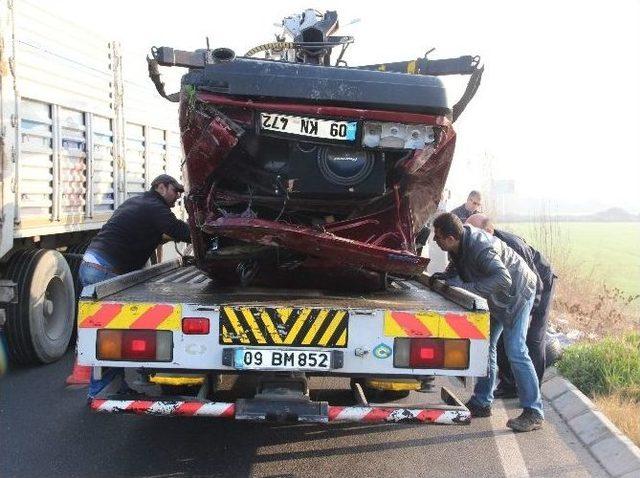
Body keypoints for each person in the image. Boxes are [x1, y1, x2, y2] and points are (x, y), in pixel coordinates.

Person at [79, 174, 191, 398]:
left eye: (180, 192)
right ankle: (103, 388)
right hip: (104, 269)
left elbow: (138, 233)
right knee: (110, 329)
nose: (178, 196)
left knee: (107, 328)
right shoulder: (155, 207)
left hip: (93, 263)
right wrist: (210, 232)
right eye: (174, 190)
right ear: (160, 187)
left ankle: (109, 386)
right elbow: (180, 230)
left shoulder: (138, 202)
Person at [432, 213, 543, 432]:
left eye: (438, 237)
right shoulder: (459, 245)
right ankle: (482, 402)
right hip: (496, 297)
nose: (435, 240)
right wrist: (446, 277)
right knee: (487, 346)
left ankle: (534, 412)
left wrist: (463, 288)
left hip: (517, 294)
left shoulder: (480, 247)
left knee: (516, 350)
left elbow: (503, 279)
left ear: (451, 238)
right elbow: (460, 266)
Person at [466, 213, 556, 398]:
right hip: (509, 291)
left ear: (488, 231)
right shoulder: (480, 245)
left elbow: (534, 282)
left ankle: (533, 393)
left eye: (473, 232)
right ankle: (508, 385)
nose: (469, 237)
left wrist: (528, 312)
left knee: (533, 338)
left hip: (539, 286)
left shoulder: (513, 245)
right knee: (498, 341)